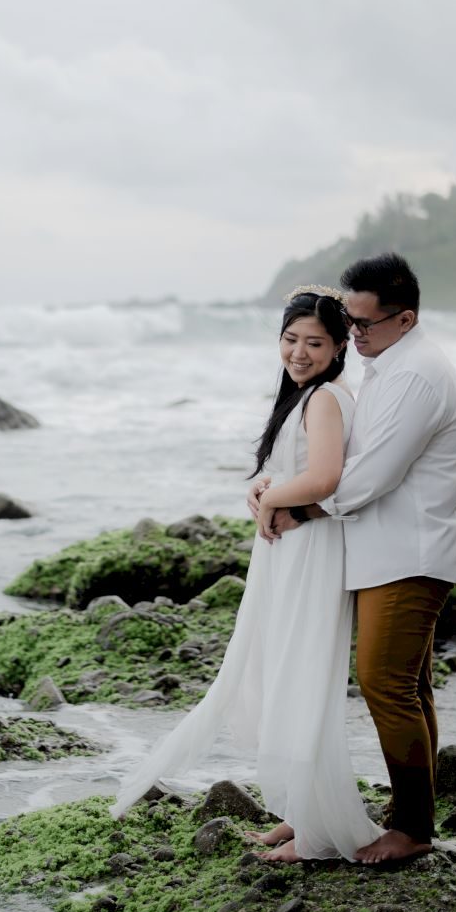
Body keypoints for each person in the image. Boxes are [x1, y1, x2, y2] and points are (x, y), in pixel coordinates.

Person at [111, 286, 385, 864]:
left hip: (310, 552)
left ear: (339, 346)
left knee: (301, 674)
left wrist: (272, 497)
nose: (299, 353)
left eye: (315, 343)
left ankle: (318, 832)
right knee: (284, 670)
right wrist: (263, 490)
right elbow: (296, 472)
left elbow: (326, 478)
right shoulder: (307, 396)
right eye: (290, 339)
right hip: (290, 549)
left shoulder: (326, 399)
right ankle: (303, 812)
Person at [252, 252, 456, 865]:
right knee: (410, 685)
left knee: (385, 682)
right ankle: (409, 815)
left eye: (363, 323)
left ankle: (412, 828)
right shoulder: (389, 364)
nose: (353, 333)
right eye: (349, 321)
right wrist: (277, 485)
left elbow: (372, 474)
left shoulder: (415, 376)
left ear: (405, 319)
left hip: (410, 551)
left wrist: (300, 510)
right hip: (386, 547)